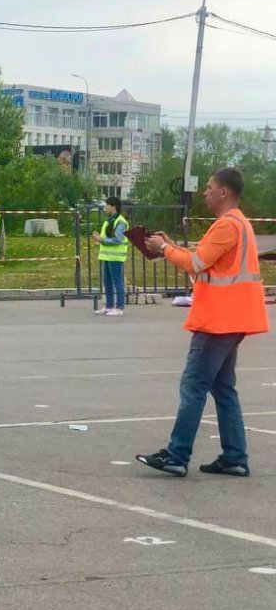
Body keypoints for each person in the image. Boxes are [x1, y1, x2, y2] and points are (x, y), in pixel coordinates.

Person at [137, 168, 269, 477]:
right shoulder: (239, 223)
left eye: (209, 188)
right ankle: (234, 456)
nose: (205, 192)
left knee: (193, 385)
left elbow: (196, 264)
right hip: (233, 318)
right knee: (223, 388)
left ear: (224, 192)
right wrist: (172, 248)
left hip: (218, 321)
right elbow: (203, 266)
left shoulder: (227, 225)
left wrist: (165, 249)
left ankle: (176, 454)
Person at [92, 196, 129, 316]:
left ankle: (119, 307)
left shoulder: (120, 222)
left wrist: (101, 239)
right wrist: (100, 239)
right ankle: (108, 306)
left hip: (116, 257)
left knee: (117, 282)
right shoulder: (109, 220)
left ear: (113, 206)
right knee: (107, 282)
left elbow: (117, 240)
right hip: (107, 256)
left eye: (107, 205)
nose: (105, 207)